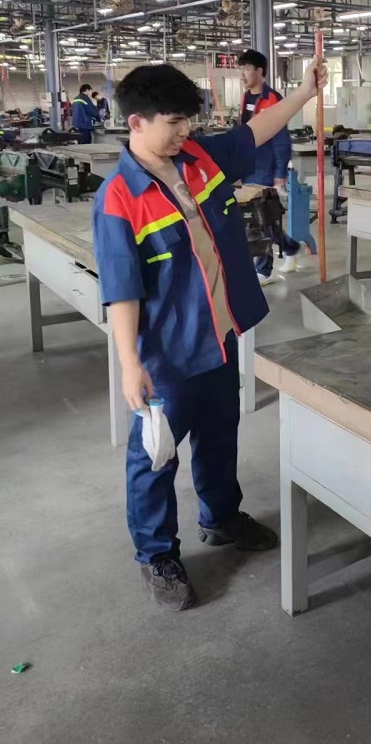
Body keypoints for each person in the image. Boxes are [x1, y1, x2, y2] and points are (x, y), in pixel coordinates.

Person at [92, 58, 327, 610]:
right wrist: (130, 363)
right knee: (156, 456)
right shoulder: (119, 198)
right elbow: (122, 290)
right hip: (168, 352)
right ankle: (157, 554)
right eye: (174, 123)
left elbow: (253, 132)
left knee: (220, 434)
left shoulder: (198, 158)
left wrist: (303, 94)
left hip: (219, 335)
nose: (185, 132)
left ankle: (221, 516)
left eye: (188, 121)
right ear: (137, 122)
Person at [238, 49, 302, 285]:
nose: (243, 74)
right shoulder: (246, 98)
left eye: (246, 69)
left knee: (261, 218)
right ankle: (291, 248)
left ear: (259, 71)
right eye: (241, 69)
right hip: (249, 166)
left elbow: (281, 138)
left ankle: (264, 270)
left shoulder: (272, 98)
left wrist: (279, 173)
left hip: (266, 167)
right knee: (260, 219)